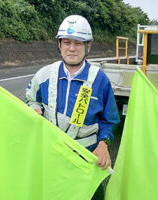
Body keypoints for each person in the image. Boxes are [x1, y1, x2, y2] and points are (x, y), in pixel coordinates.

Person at [26, 15, 120, 199]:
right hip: (50, 154)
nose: (71, 48)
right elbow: (31, 100)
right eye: (66, 42)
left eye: (78, 43)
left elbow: (109, 120)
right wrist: (33, 109)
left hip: (85, 158)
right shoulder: (43, 74)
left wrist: (103, 144)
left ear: (88, 46)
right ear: (59, 45)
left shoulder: (99, 80)